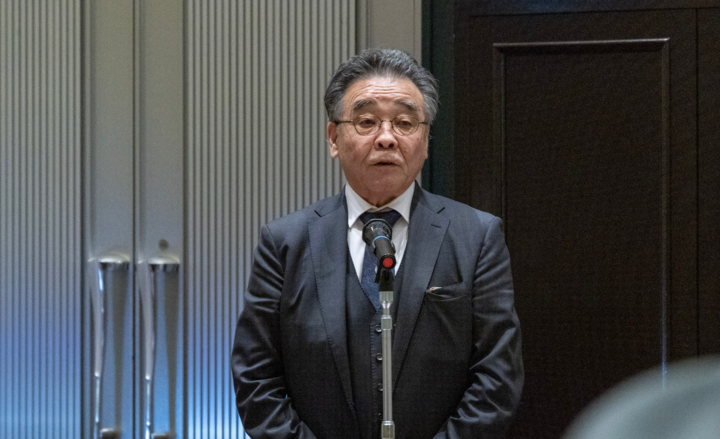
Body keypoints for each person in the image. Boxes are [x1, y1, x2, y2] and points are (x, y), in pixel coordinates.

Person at [231, 48, 523, 439]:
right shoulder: (285, 242)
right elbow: (256, 378)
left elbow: (497, 379)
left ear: (425, 139)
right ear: (334, 138)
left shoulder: (477, 236)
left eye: (405, 123)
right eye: (366, 121)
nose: (386, 138)